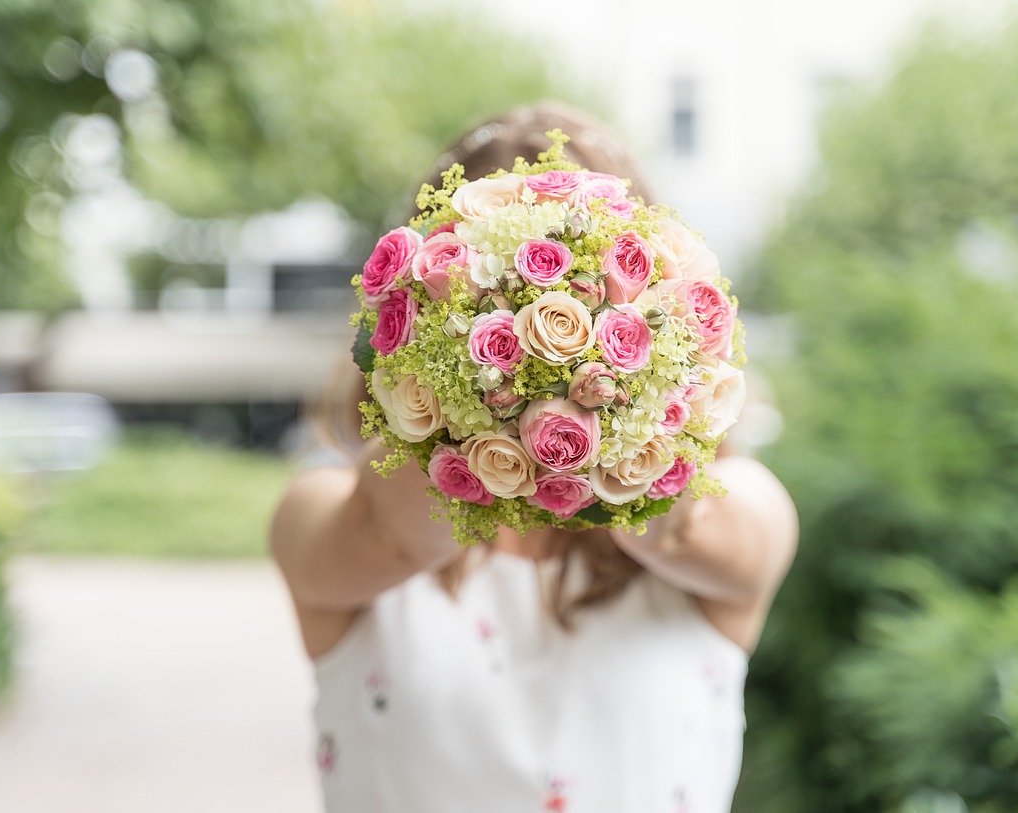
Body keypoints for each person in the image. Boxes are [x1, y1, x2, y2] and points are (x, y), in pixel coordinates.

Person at [270, 103, 798, 813]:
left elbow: (679, 526)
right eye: (491, 279)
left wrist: (608, 386)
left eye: (578, 272)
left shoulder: (740, 508)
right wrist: (482, 369)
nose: (534, 300)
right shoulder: (328, 511)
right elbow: (390, 530)